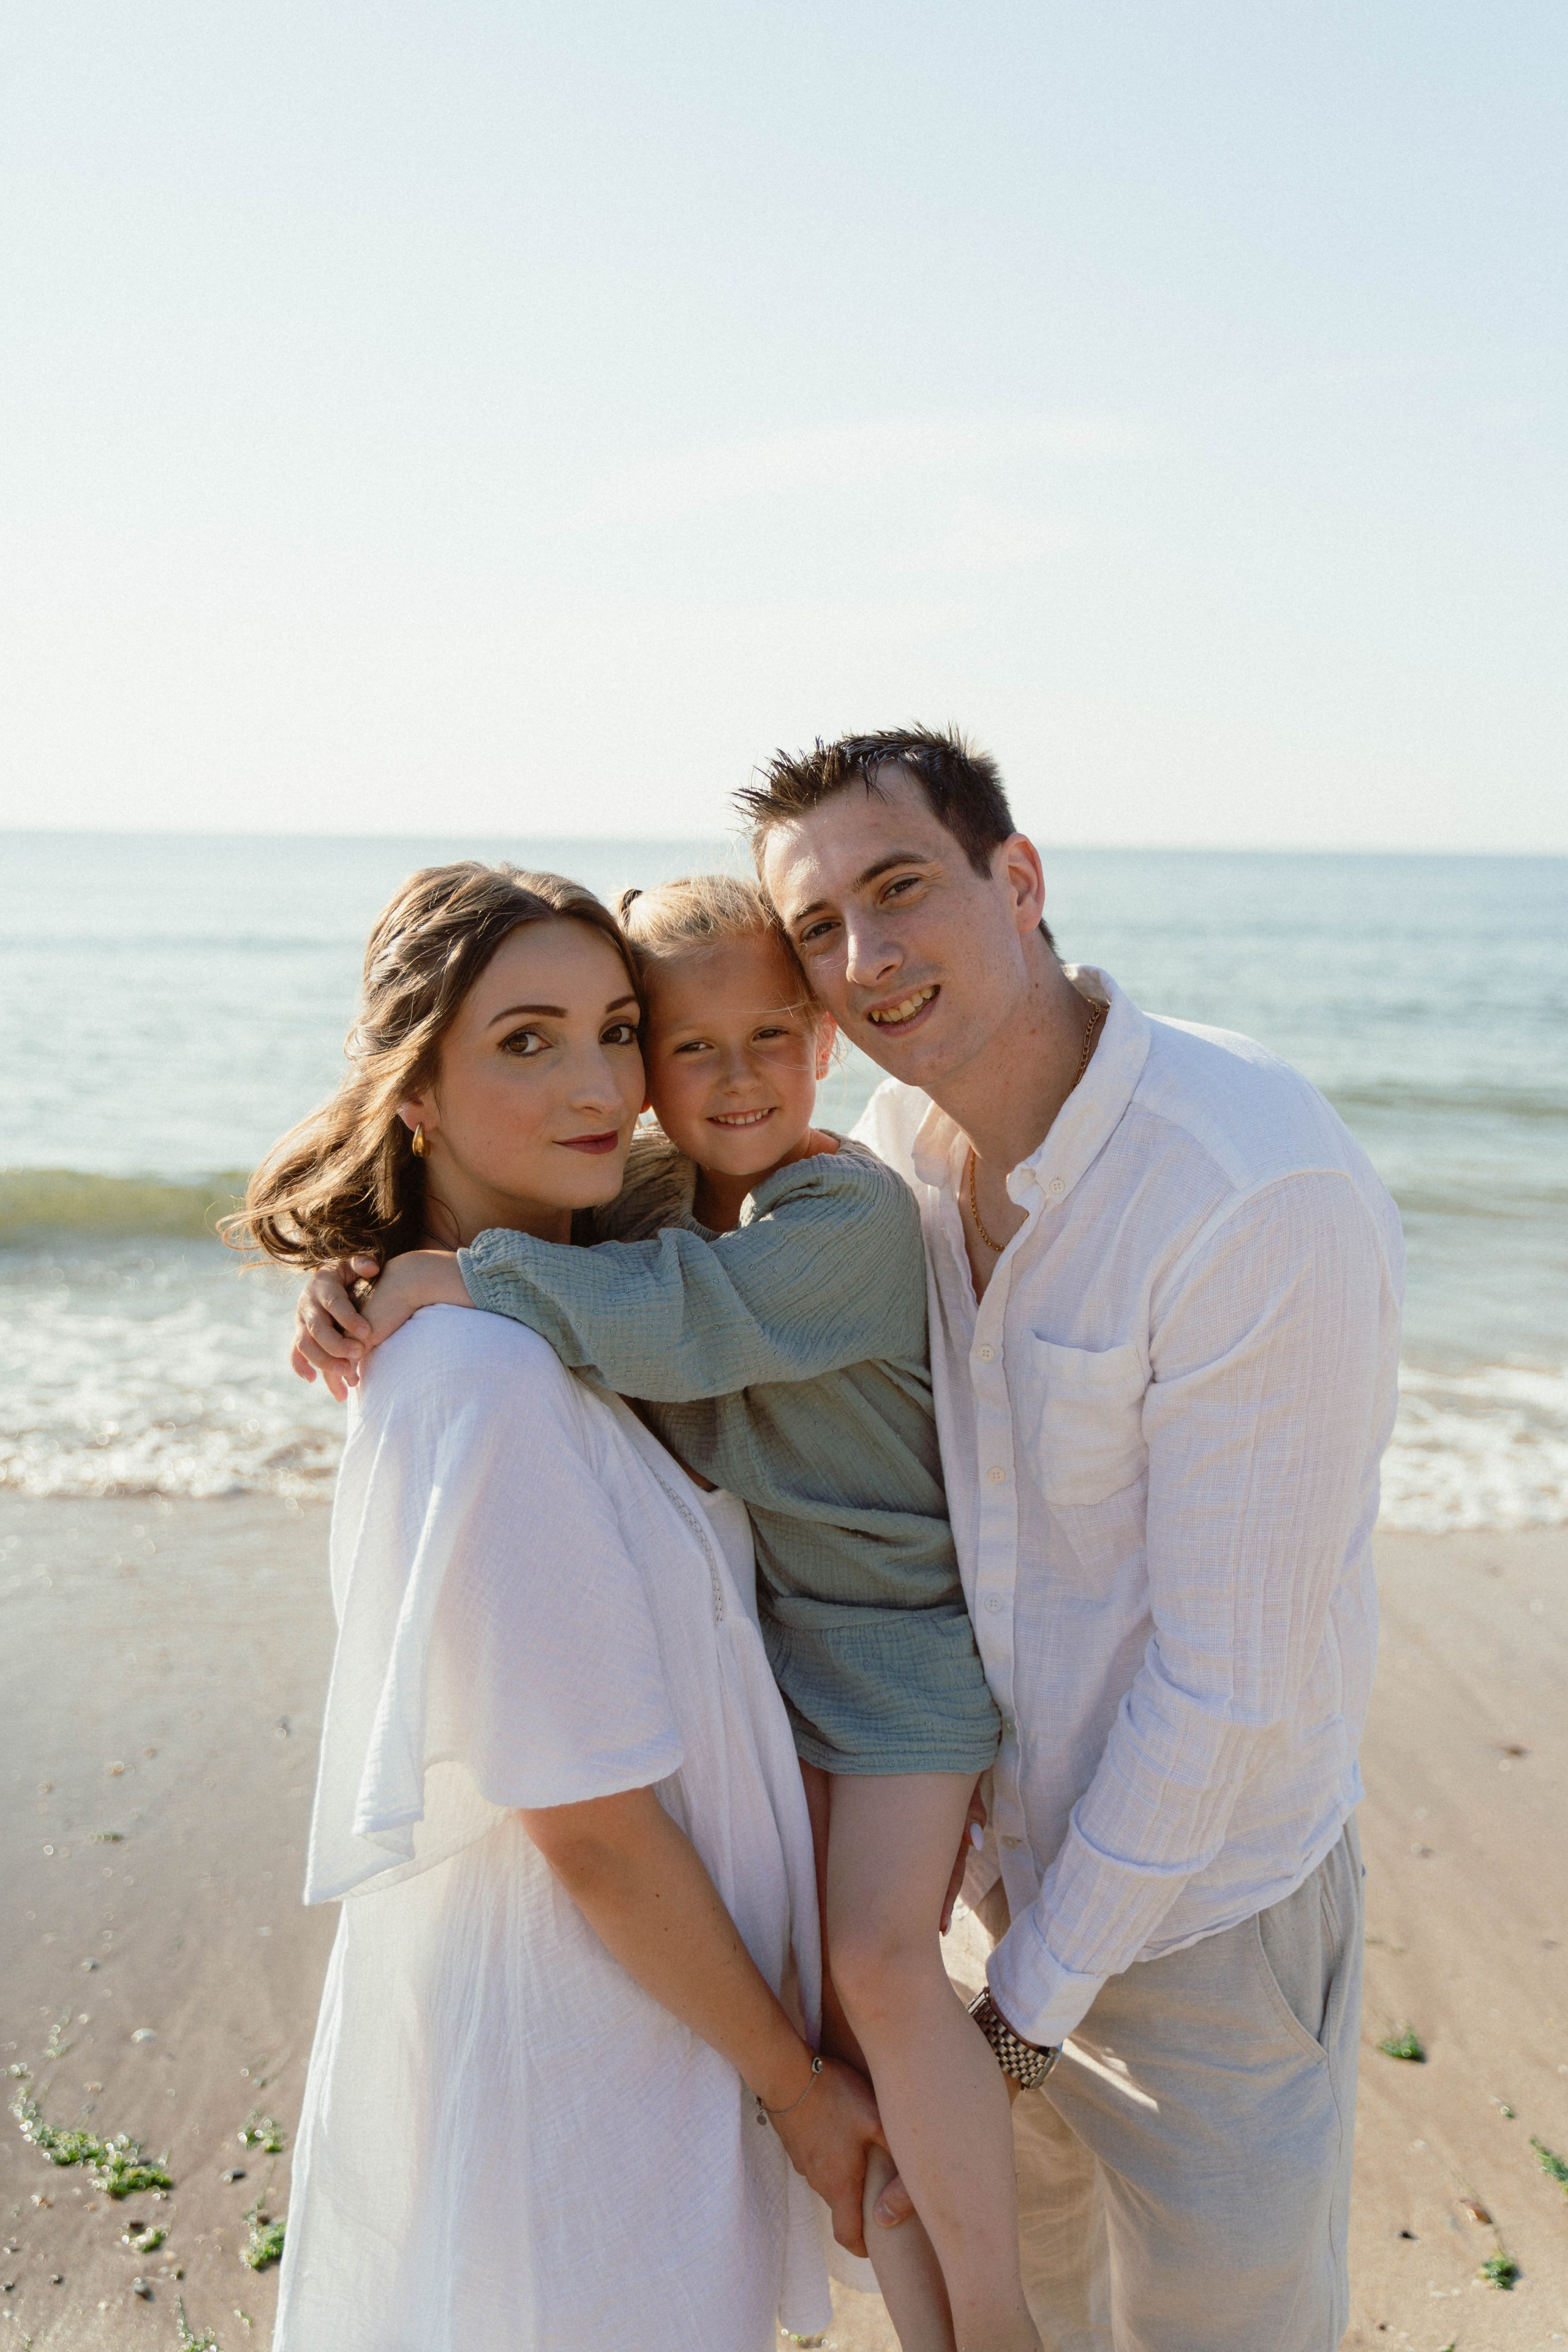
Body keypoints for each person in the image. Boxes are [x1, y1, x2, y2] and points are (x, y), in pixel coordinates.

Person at [295, 873, 1039, 2352]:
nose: (597, 1086)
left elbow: (686, 1310)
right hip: (578, 2044)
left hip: (660, 2012)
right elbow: (588, 1819)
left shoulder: (585, 1290)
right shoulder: (488, 1374)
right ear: (414, 1091)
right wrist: (790, 2090)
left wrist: (425, 1270)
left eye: (614, 1031)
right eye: (524, 1042)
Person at [735, 726, 1405, 2352]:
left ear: (1018, 882)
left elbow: (1227, 1688)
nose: (865, 958)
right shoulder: (891, 1164)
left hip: (1210, 1931)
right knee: (1016, 2315)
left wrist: (1014, 2031)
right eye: (819, 930)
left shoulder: (1250, 1183)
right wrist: (413, 1258)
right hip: (973, 1907)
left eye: (900, 891)